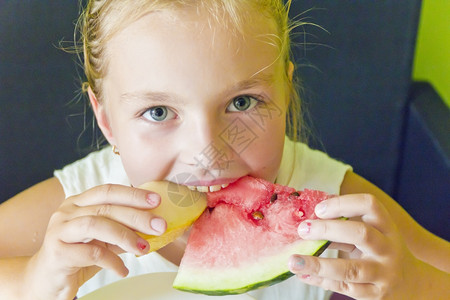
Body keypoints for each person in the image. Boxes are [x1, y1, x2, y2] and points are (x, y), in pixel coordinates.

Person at [0, 0, 449, 299]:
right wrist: (31, 281)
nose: (207, 151)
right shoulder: (85, 200)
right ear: (107, 121)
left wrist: (415, 283)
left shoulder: (333, 202)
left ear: (286, 94)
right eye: (158, 112)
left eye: (241, 103)